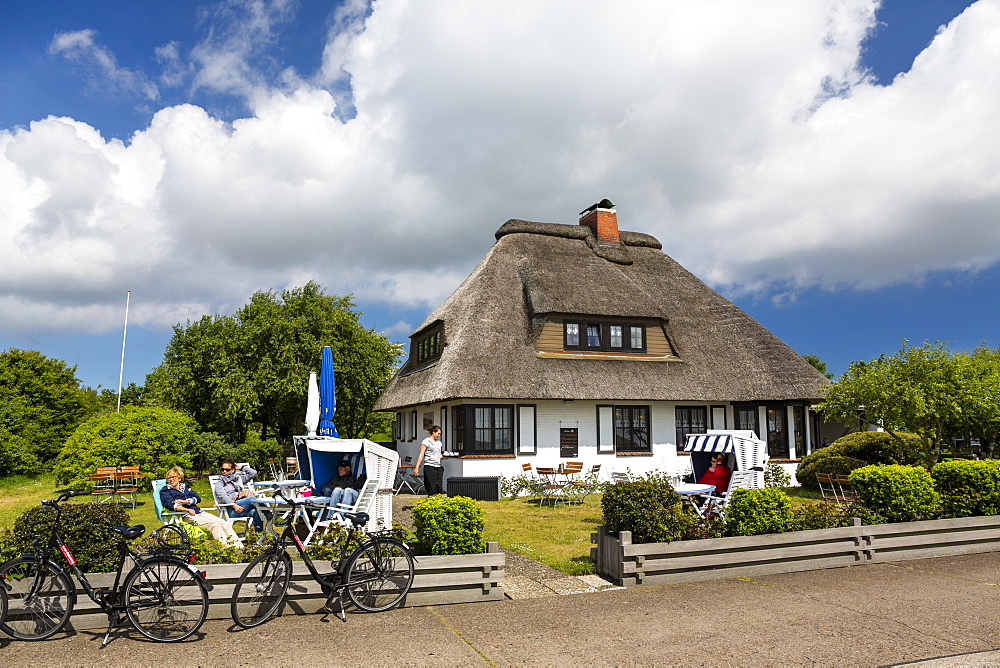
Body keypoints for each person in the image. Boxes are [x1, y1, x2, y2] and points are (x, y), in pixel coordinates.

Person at [160, 466, 244, 548]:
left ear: (179, 478)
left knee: (223, 523)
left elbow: (197, 498)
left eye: (173, 477)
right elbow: (170, 504)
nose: (171, 480)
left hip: (199, 512)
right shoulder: (166, 491)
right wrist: (187, 509)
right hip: (186, 515)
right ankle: (225, 549)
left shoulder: (186, 488)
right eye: (168, 478)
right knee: (214, 525)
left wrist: (187, 501)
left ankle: (239, 547)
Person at [214, 460, 263, 531]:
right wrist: (234, 505)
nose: (224, 471)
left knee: (256, 511)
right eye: (222, 469)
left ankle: (259, 536)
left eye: (227, 469)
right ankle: (268, 513)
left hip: (242, 507)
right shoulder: (220, 483)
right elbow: (223, 496)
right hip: (232, 509)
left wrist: (241, 467)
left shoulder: (237, 479)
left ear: (233, 469)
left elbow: (253, 473)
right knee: (251, 499)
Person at [414, 425, 444, 496]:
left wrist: (446, 457)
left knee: (438, 486)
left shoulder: (439, 443)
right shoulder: (426, 441)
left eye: (440, 434)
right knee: (431, 486)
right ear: (433, 432)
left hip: (438, 466)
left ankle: (437, 501)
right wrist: (416, 468)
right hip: (429, 466)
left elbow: (439, 455)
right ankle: (431, 499)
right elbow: (421, 455)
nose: (439, 435)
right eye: (438, 433)